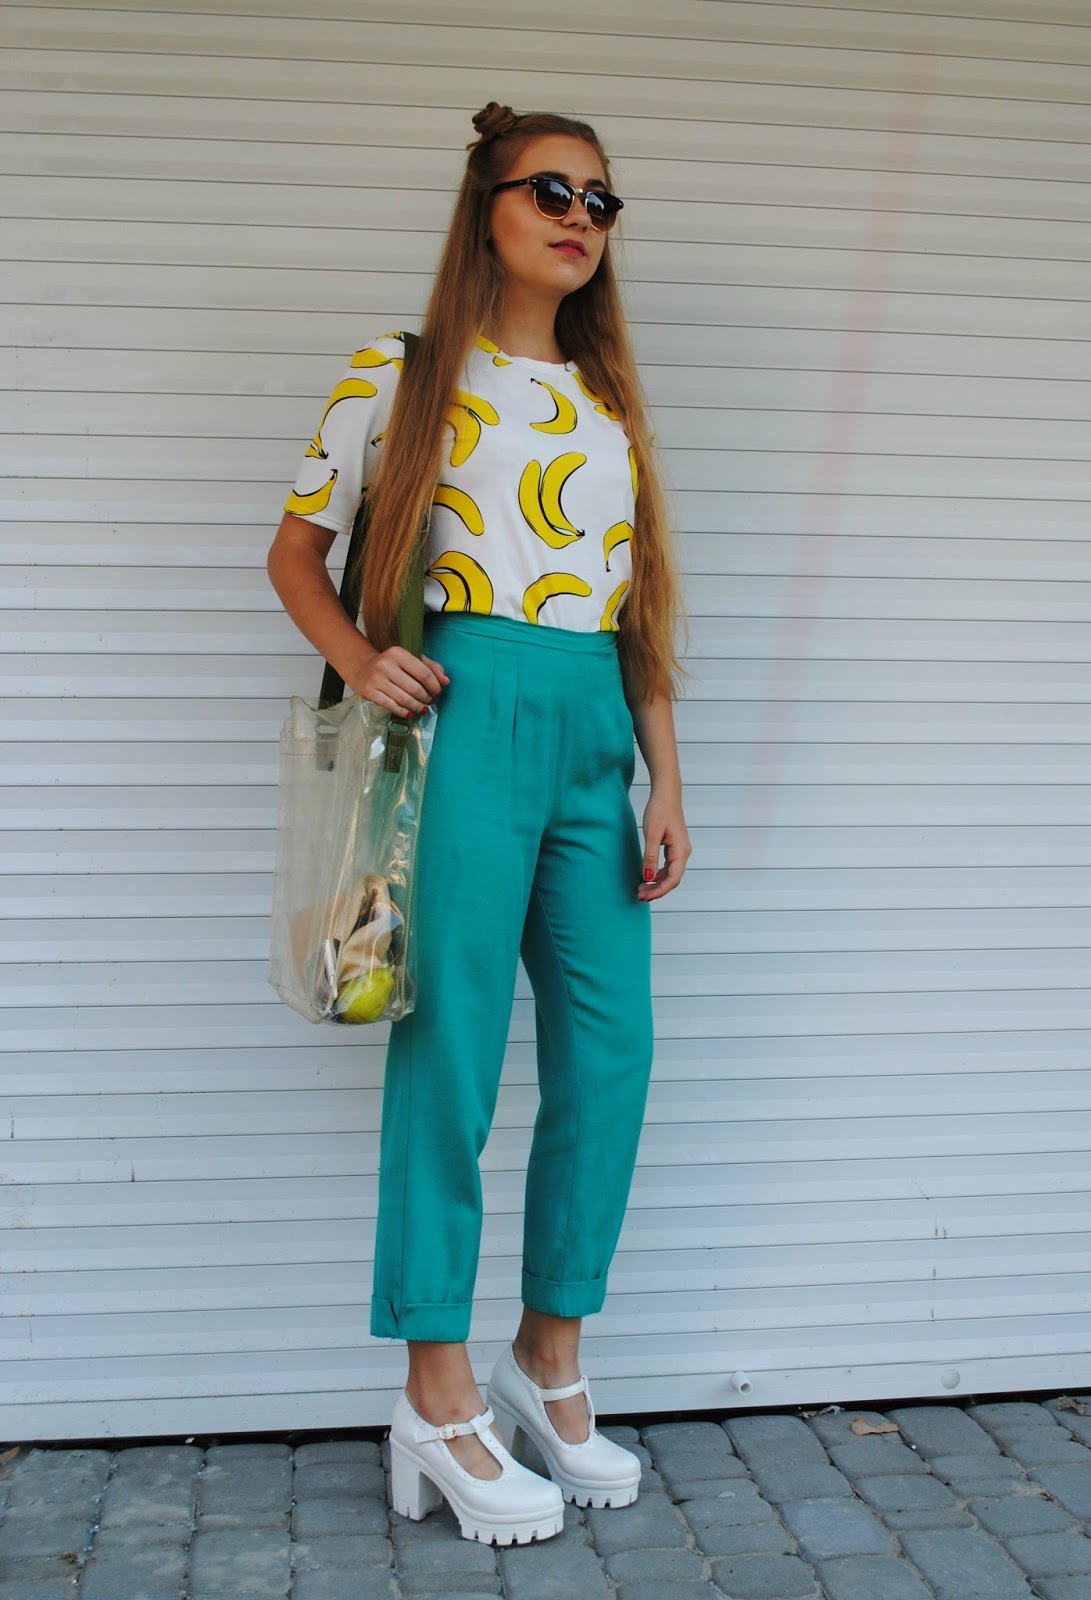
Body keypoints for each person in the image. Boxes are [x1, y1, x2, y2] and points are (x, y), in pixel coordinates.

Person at [267, 100, 692, 1546]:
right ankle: (435, 1390)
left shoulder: (607, 401)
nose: (579, 218)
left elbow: (636, 610)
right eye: (550, 191)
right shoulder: (400, 372)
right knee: (448, 1057)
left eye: (600, 201)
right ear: (488, 207)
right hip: (465, 716)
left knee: (611, 1054)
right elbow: (297, 549)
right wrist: (358, 655)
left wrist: (665, 775)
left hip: (592, 730)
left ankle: (547, 1356)